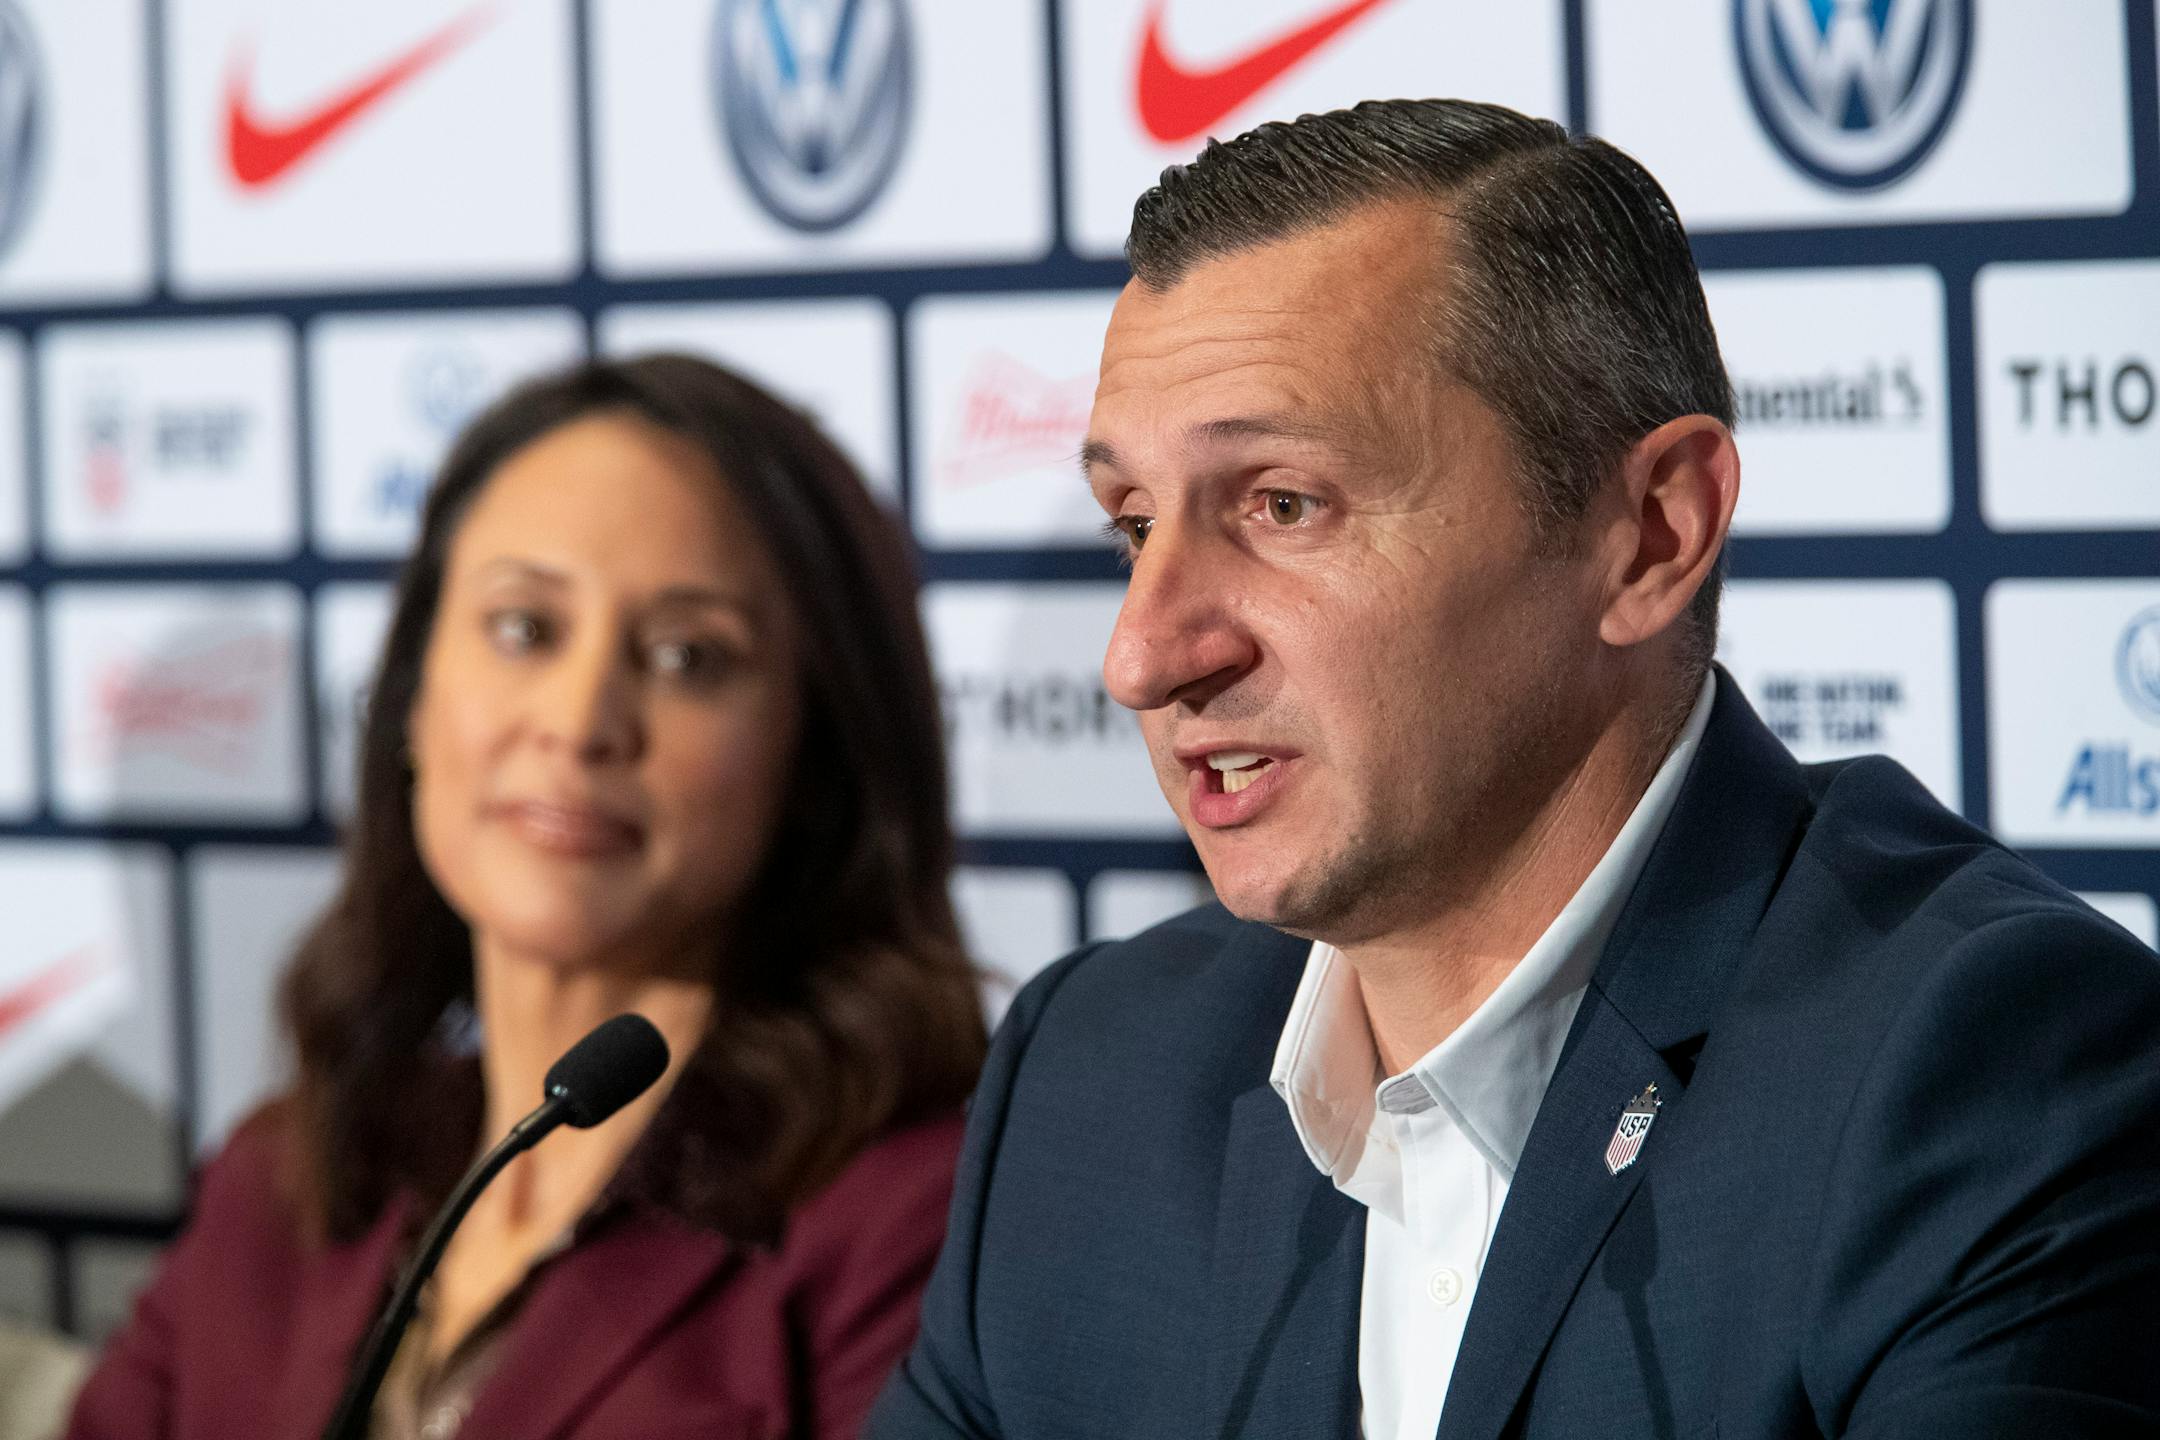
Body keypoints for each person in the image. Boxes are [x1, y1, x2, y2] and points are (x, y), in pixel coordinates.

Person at [870, 99, 2160, 1439]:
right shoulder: (1094, 1079)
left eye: (1283, 504)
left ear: (1650, 534)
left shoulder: (1983, 1072)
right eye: (1133, 526)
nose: (1144, 654)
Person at [68, 355, 988, 1439]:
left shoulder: (922, 1226)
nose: (580, 718)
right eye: (524, 629)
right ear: (410, 697)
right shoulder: (283, 1179)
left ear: (816, 758)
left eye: (688, 656)